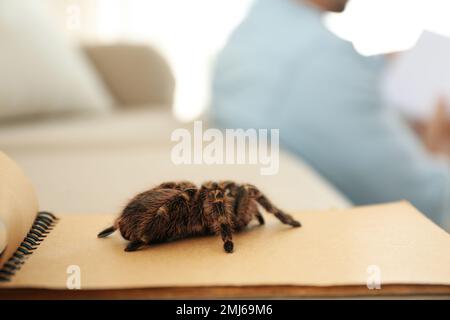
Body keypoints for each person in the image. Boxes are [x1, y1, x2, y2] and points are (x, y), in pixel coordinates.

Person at [211, 0, 450, 230]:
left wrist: (372, 68)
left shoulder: (250, 35)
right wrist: (441, 149)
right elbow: (425, 203)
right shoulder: (320, 59)